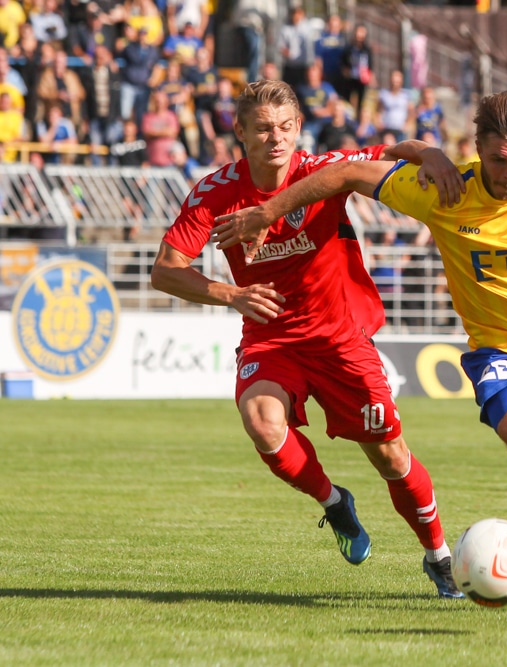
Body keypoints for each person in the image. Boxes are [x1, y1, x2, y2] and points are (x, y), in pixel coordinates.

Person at [210, 89, 507, 606]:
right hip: (502, 351)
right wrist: (268, 212)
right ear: (477, 150)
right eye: (498, 160)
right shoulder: (444, 190)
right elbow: (345, 175)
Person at [149, 79, 468, 598]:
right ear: (240, 132)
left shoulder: (324, 171)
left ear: (298, 128)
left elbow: (394, 149)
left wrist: (432, 153)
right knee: (262, 423)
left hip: (341, 339)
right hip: (271, 340)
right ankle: (334, 503)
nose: (276, 138)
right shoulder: (215, 191)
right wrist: (231, 294)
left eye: (285, 127)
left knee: (391, 457)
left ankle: (438, 555)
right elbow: (165, 272)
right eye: (262, 129)